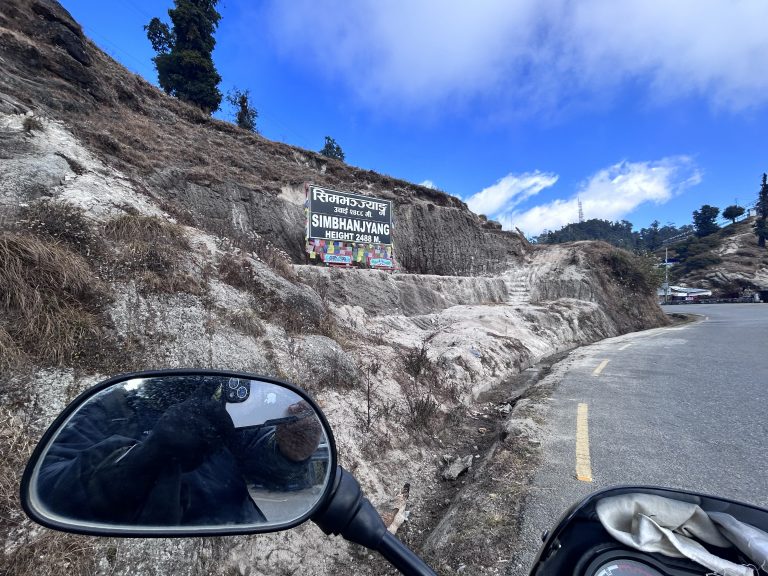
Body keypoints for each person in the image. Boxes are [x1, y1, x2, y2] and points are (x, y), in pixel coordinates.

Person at [37, 380, 323, 526]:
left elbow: (273, 472)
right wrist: (147, 456)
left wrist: (290, 453)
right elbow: (48, 490)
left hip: (240, 532)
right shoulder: (112, 406)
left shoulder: (221, 414)